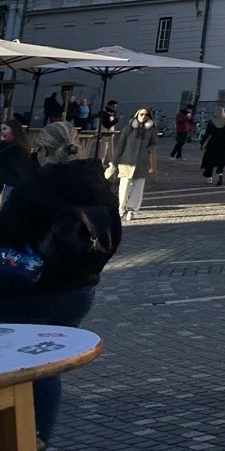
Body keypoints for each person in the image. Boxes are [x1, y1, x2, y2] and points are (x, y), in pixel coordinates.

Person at [0, 121, 121, 449]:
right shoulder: (98, 184)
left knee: (18, 364)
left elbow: (6, 236)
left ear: (41, 150)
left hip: (32, 292)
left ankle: (22, 434)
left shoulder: (34, 188)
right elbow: (112, 236)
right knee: (45, 367)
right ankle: (37, 437)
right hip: (80, 290)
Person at [110, 105, 160, 220]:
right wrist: (114, 161)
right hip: (127, 161)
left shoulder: (151, 129)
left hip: (142, 162)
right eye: (141, 114)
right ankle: (121, 208)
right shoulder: (129, 128)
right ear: (137, 115)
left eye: (146, 115)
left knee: (138, 188)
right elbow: (121, 144)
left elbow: (154, 142)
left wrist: (148, 150)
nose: (143, 116)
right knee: (124, 187)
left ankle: (132, 209)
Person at [201, 106, 225, 186]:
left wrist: (202, 142)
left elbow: (207, 134)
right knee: (221, 162)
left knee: (210, 161)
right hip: (223, 144)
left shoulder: (212, 122)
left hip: (213, 144)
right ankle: (220, 175)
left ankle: (209, 178)